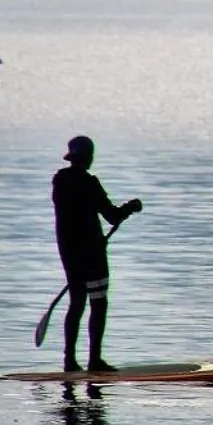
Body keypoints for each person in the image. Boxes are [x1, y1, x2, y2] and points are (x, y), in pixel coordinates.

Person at [52, 136, 142, 373]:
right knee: (98, 304)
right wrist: (130, 208)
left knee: (76, 303)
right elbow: (112, 216)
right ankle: (94, 361)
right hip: (92, 253)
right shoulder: (90, 183)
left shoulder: (59, 181)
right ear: (89, 157)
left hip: (69, 253)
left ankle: (69, 361)